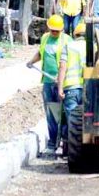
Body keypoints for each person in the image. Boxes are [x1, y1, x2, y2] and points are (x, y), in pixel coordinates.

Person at [26, 15, 71, 153]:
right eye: (53, 30)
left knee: (63, 113)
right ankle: (52, 143)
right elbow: (41, 53)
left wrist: (61, 78)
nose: (55, 33)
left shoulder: (67, 40)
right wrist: (31, 61)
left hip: (61, 83)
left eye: (57, 31)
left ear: (62, 29)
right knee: (51, 113)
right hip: (47, 81)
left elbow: (70, 61)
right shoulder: (45, 38)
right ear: (48, 28)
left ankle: (65, 143)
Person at [58, 22, 86, 155]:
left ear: (75, 35)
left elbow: (62, 67)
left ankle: (72, 150)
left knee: (72, 122)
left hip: (71, 88)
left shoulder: (68, 46)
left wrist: (60, 88)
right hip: (88, 88)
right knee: (87, 120)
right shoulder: (94, 47)